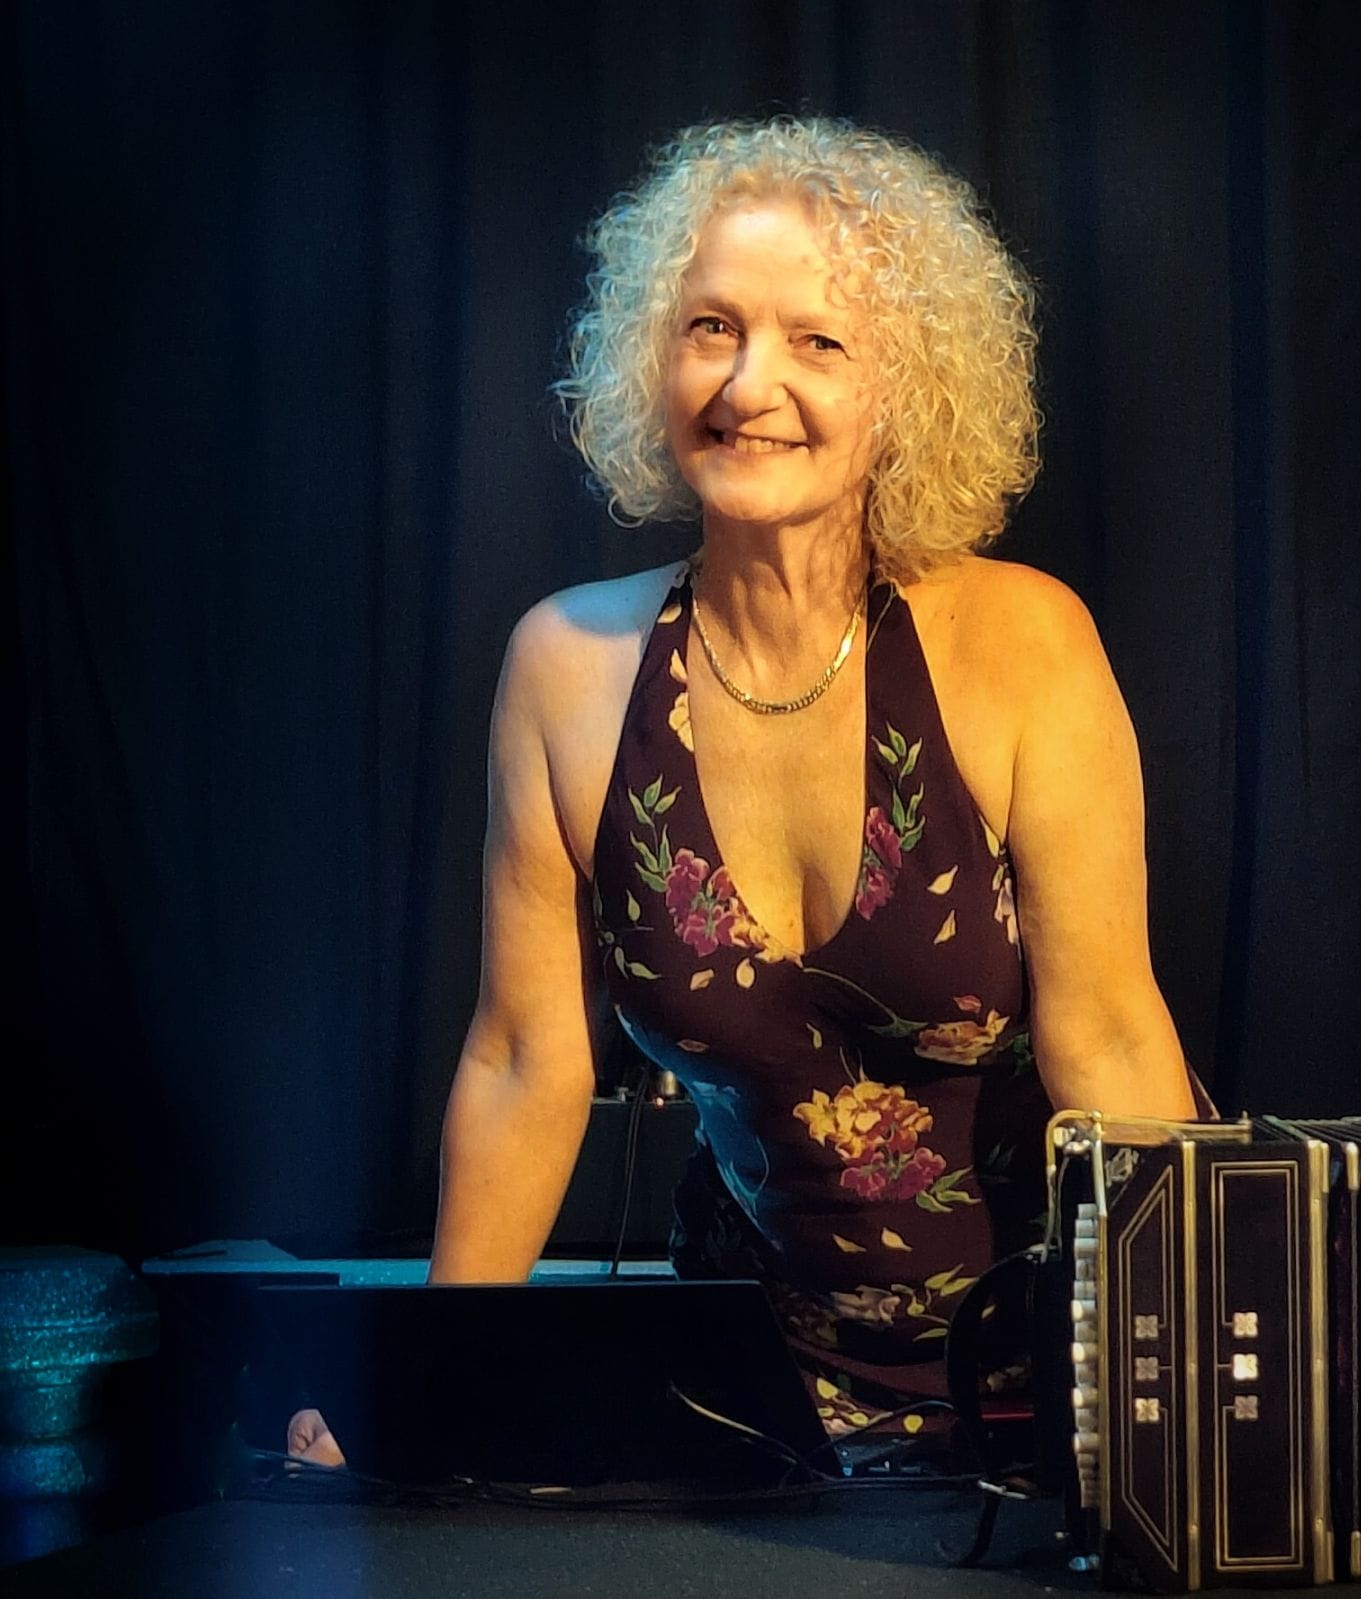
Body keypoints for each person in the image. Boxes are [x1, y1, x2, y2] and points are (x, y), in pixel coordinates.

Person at [290, 115, 1200, 1469]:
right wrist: (437, 1388)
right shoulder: (565, 666)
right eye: (711, 328)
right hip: (751, 1399)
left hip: (1056, 1385)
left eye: (816, 341)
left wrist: (1187, 1404)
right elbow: (527, 1061)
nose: (748, 384)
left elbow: (1113, 1049)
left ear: (908, 389)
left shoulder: (1024, 642)